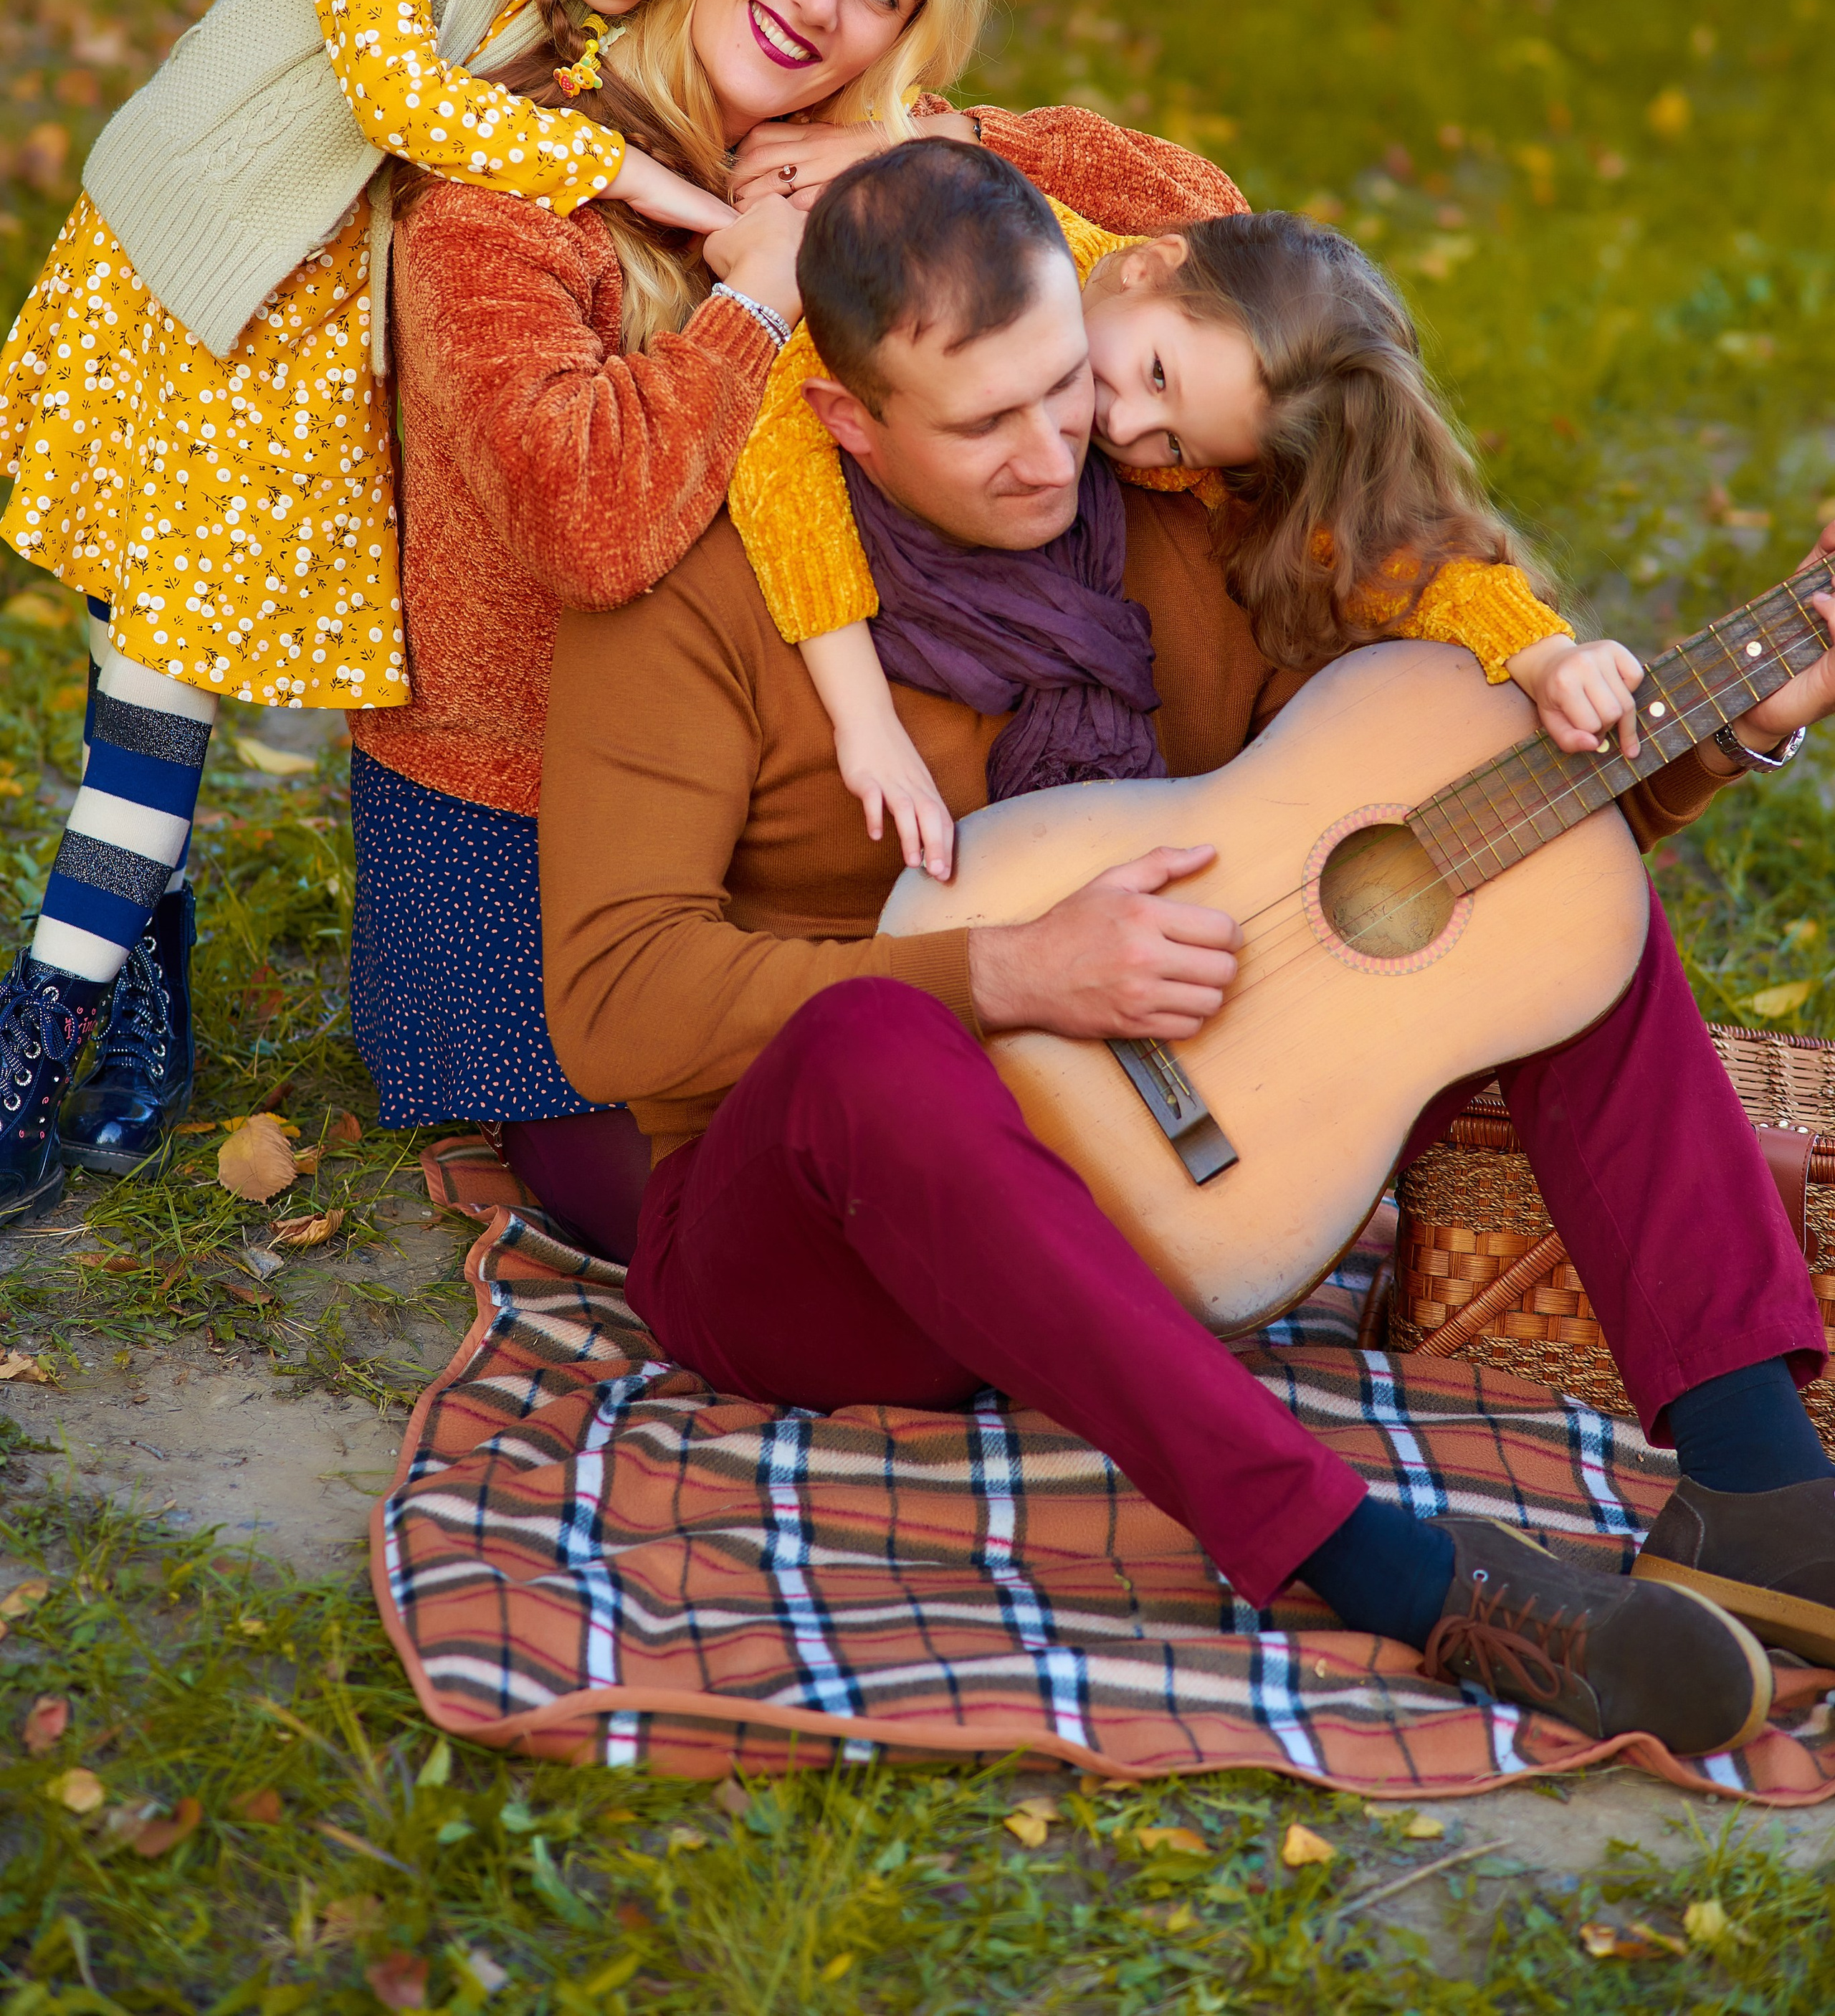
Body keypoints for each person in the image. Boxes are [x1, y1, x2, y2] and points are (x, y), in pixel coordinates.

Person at [536, 138, 1835, 1759]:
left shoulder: (1171, 511)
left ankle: (1758, 1479)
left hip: (1201, 1152)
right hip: (828, 1245)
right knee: (873, 1051)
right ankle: (1389, 1566)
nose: (1046, 456)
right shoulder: (684, 594)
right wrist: (1002, 969)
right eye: (980, 423)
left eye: (1060, 393)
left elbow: (1400, 839)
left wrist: (1725, 732)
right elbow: (605, 1006)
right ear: (843, 419)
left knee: (1572, 919)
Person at [345, 0, 1245, 1256]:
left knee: (1064, 1149)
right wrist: (753, 296)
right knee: (840, 1211)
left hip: (817, 828)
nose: (825, 4)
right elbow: (592, 529)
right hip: (545, 843)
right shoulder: (504, 190)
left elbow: (1217, 248)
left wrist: (937, 152)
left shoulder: (864, 158)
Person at [0, 0, 826, 1226]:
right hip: (186, 298)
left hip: (300, 345)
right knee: (152, 687)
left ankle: (125, 1003)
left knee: (146, 688)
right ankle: (47, 1027)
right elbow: (393, 94)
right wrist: (641, 179)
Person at [730, 201, 1646, 879]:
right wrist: (865, 722)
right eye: (1153, 373)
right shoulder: (985, 271)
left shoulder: (1185, 402)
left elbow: (1382, 557)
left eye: (1173, 442)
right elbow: (783, 458)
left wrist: (1540, 654)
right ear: (1146, 264)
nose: (1120, 423)